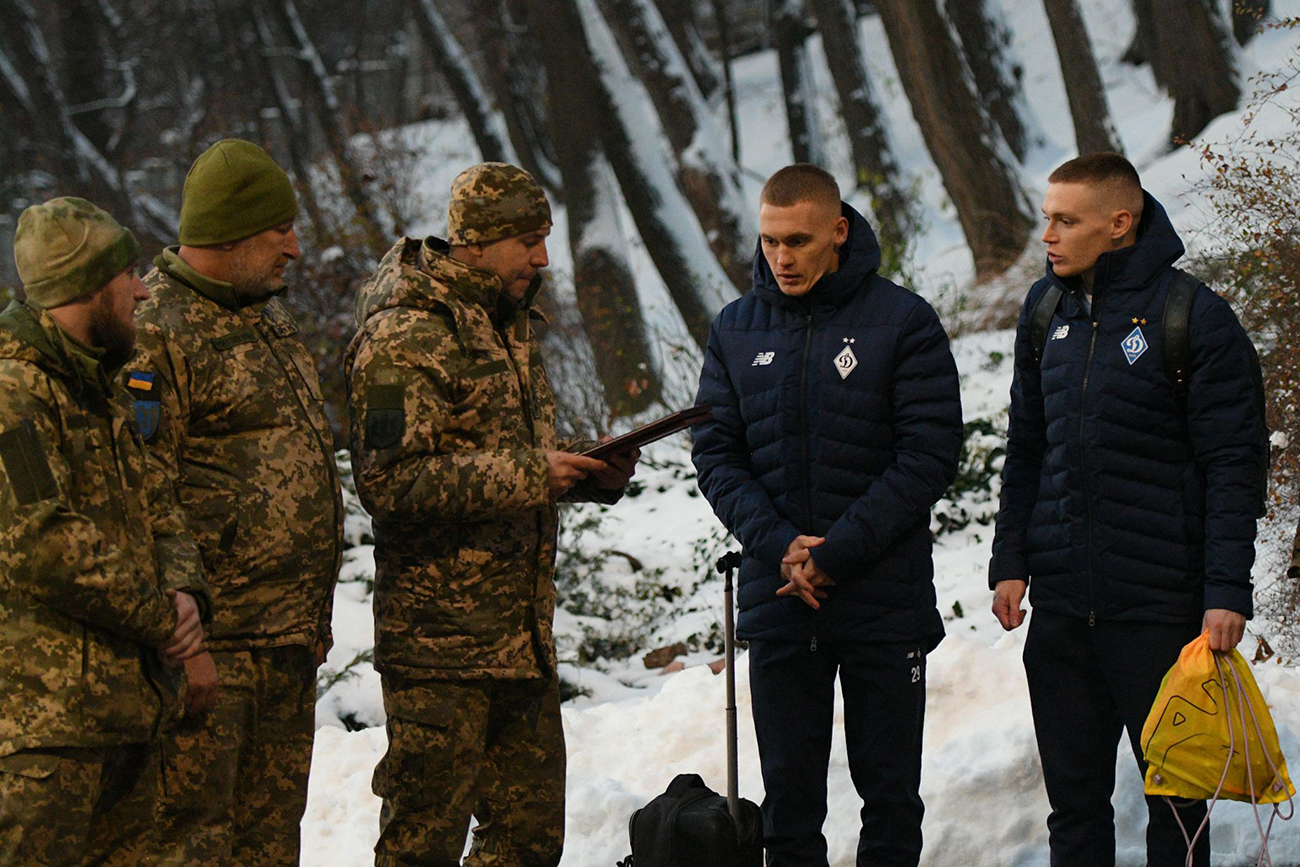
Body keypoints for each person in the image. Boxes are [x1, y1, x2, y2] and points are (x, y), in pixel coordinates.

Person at [347, 162, 639, 866]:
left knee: (529, 840)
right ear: (473, 241)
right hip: (439, 649)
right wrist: (533, 473)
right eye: (527, 241)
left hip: (519, 638)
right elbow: (389, 481)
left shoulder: (507, 322)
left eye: (544, 238)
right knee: (423, 843)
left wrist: (585, 468)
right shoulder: (401, 335)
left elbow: (504, 458)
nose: (542, 257)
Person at [989, 152, 1269, 866]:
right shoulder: (1043, 309)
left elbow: (1234, 464)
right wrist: (1010, 560)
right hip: (1061, 615)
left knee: (1177, 811)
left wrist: (1225, 590)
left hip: (1160, 613)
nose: (1046, 234)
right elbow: (1026, 445)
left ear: (1120, 223)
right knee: (1073, 810)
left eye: (1064, 220)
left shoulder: (1193, 317)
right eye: (1046, 217)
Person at [692, 163, 963, 867]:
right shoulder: (734, 328)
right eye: (770, 240)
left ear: (838, 232)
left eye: (799, 241)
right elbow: (717, 456)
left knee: (891, 803)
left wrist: (835, 552)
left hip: (882, 598)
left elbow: (929, 454)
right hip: (779, 600)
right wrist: (781, 545)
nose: (781, 257)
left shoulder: (904, 321)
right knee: (787, 808)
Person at [126, 139, 344, 865]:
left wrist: (312, 620)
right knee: (195, 844)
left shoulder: (266, 317)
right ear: (231, 233)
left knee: (270, 846)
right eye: (279, 229)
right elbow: (144, 497)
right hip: (214, 660)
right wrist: (188, 651)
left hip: (285, 648)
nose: (295, 247)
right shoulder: (156, 330)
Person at [0, 197, 209, 863]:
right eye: (128, 278)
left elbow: (160, 503)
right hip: (45, 736)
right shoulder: (13, 396)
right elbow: (41, 539)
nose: (143, 291)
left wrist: (186, 593)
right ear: (89, 287)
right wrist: (161, 615)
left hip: (127, 718)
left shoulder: (104, 389)